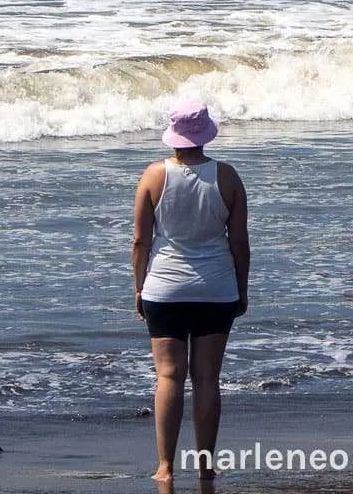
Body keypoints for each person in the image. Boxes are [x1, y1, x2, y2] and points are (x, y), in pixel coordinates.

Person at [132, 100, 249, 486]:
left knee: (168, 377)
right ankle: (204, 465)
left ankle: (165, 466)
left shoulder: (153, 176)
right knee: (206, 379)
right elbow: (240, 243)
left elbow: (140, 242)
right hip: (215, 289)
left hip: (164, 289)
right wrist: (241, 289)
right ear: (204, 135)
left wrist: (139, 288)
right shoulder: (227, 177)